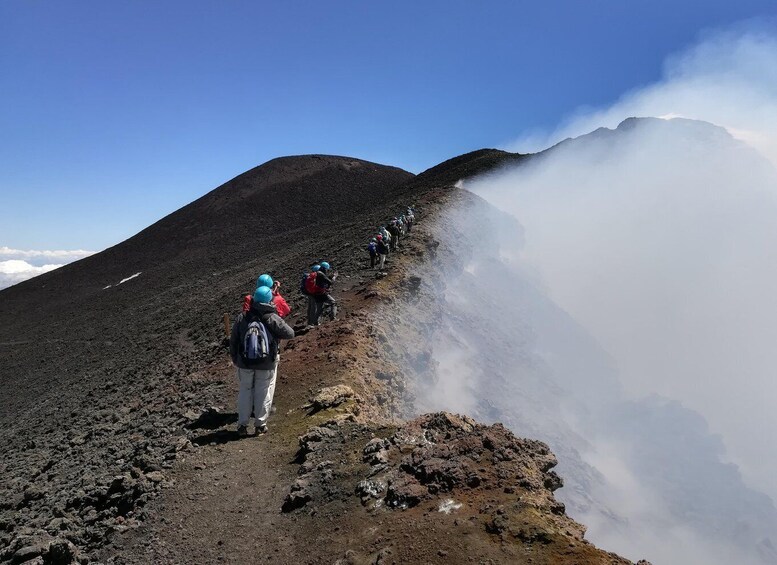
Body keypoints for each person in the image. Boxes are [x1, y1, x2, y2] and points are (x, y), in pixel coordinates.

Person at [229, 285, 294, 437]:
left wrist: (235, 359)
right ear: (269, 300)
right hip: (266, 363)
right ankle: (260, 425)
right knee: (263, 392)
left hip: (245, 362)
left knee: (245, 391)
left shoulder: (243, 317)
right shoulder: (272, 317)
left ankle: (242, 426)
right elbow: (290, 333)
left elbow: (234, 340)